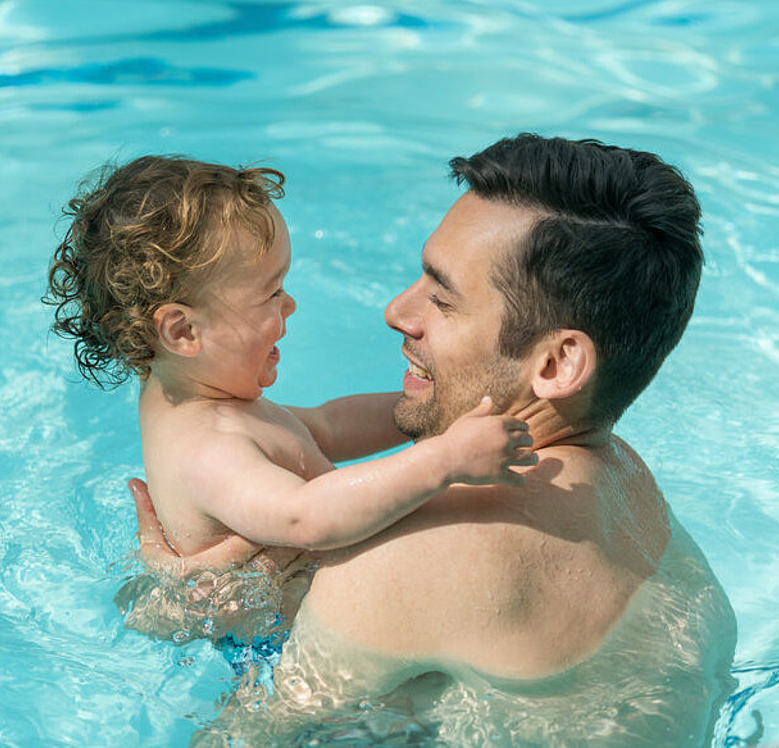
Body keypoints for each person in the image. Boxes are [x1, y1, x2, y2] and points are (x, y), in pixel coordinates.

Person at [128, 136, 738, 745]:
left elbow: (243, 736)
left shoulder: (406, 559)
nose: (397, 311)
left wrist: (183, 607)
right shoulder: (629, 485)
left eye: (442, 300)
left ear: (555, 364)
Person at [44, 156, 539, 632]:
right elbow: (307, 515)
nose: (291, 303)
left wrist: (435, 412)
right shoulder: (208, 448)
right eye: (271, 293)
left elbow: (325, 427)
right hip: (282, 652)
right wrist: (444, 460)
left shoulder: (203, 394)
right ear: (182, 331)